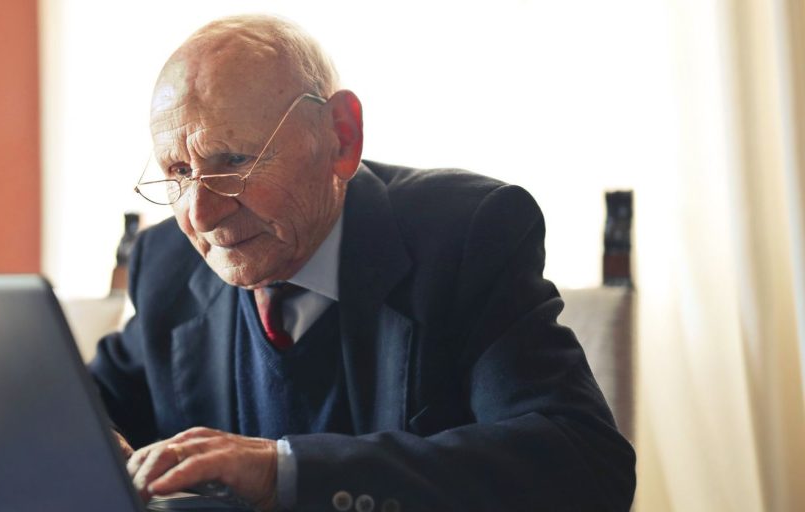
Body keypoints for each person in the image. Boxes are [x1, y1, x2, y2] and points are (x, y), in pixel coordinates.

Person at [90, 14, 636, 512]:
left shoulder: (467, 236)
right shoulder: (167, 265)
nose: (202, 214)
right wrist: (87, 444)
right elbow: (87, 404)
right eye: (179, 171)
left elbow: (583, 465)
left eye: (234, 159)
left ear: (341, 136)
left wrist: (283, 471)